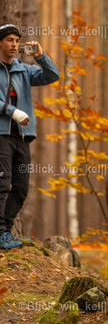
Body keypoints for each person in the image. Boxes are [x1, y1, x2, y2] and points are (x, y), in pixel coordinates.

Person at [0, 24, 60, 250]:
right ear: (0, 43)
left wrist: (41, 56)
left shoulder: (24, 69)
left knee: (21, 188)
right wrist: (12, 111)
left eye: (17, 41)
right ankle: (1, 233)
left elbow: (52, 75)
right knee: (2, 184)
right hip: (2, 134)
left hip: (23, 136)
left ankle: (5, 232)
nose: (14, 44)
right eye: (10, 40)